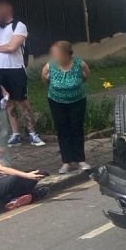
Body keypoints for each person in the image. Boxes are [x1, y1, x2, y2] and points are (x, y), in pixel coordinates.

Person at [0, 0, 45, 147]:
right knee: (8, 103)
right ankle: (15, 134)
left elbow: (12, 47)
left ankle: (32, 133)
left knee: (22, 102)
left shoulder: (19, 26)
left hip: (15, 69)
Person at [41, 41, 91, 174]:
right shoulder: (49, 66)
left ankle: (80, 159)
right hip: (56, 101)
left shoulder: (79, 64)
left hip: (77, 100)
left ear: (68, 54)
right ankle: (66, 162)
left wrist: (75, 85)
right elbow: (44, 79)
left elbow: (86, 75)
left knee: (77, 128)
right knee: (63, 130)